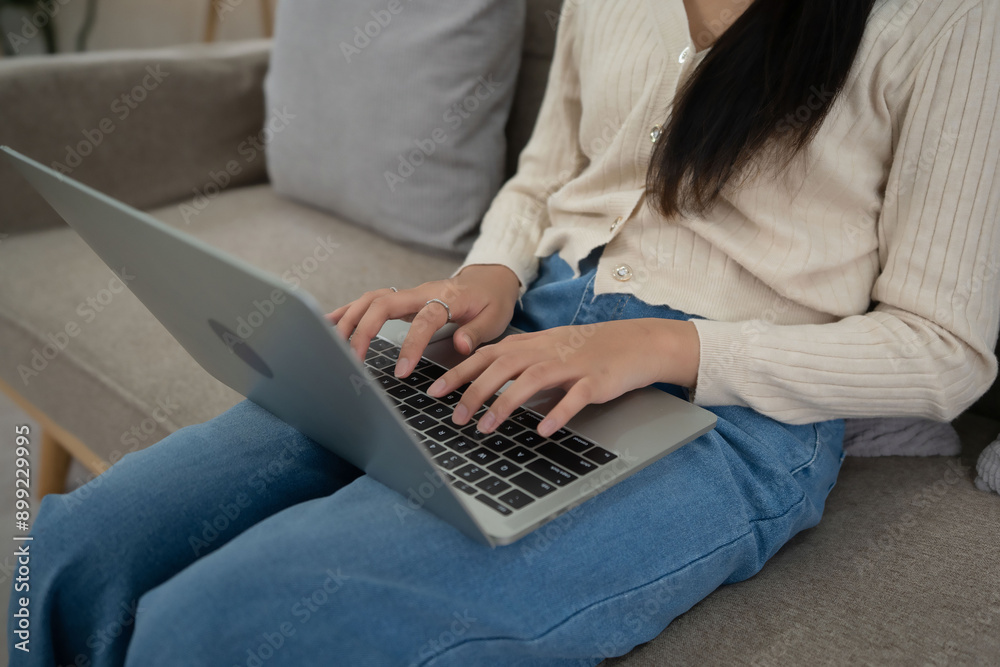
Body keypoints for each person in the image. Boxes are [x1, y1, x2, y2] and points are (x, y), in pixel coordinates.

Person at [10, 0, 999, 665]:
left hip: (725, 410)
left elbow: (942, 353)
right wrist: (488, 273)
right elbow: (544, 177)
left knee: (217, 627)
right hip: (520, 335)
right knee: (74, 547)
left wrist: (658, 348)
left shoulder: (949, 24)